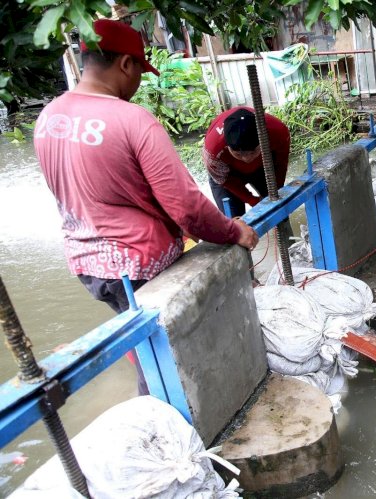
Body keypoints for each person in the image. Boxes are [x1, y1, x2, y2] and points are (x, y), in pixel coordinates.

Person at [34, 19, 258, 393]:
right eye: (139, 68)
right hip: (139, 264)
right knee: (174, 365)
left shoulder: (49, 118)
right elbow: (186, 206)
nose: (139, 79)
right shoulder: (131, 119)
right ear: (125, 64)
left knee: (144, 349)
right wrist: (234, 230)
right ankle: (178, 432)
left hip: (91, 268)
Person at [202, 106, 291, 217]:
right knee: (234, 223)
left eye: (252, 152)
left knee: (278, 209)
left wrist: (276, 192)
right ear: (227, 147)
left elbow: (281, 165)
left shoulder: (278, 131)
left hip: (262, 166)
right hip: (228, 175)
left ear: (262, 143)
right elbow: (225, 181)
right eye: (238, 154)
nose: (247, 159)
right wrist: (252, 200)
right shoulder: (213, 149)